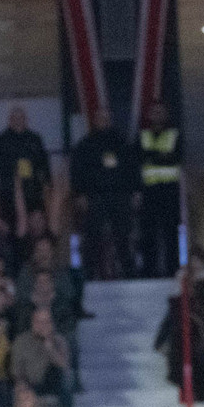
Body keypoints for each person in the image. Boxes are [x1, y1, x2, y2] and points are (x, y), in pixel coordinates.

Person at [70, 110, 137, 279]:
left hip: (119, 196)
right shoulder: (85, 144)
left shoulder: (121, 142)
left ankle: (129, 273)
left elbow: (132, 169)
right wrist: (80, 194)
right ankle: (89, 275)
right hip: (95, 197)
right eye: (100, 118)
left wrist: (135, 191)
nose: (103, 121)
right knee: (92, 237)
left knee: (123, 236)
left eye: (106, 118)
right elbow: (76, 171)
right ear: (94, 120)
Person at [0, 107, 52, 234]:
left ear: (26, 120)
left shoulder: (34, 139)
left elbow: (44, 164)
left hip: (32, 194)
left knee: (36, 230)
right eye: (15, 118)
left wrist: (48, 183)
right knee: (12, 231)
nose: (18, 121)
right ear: (10, 120)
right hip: (9, 195)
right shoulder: (1, 140)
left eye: (21, 118)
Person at [135, 102, 183, 278]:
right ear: (149, 115)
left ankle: (173, 269)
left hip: (169, 192)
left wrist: (151, 155)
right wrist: (162, 155)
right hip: (149, 192)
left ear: (166, 114)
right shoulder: (142, 136)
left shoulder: (174, 135)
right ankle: (150, 271)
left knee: (171, 233)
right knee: (149, 233)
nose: (157, 115)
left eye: (161, 111)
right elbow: (137, 159)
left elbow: (176, 157)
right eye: (154, 112)